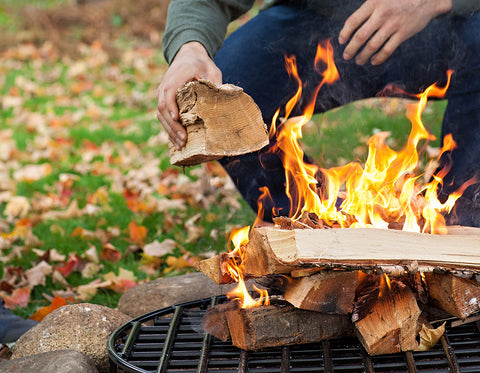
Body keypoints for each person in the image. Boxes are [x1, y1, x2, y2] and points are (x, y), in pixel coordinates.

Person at [157, 0, 480, 227]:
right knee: (225, 87)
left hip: (450, 27)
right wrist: (189, 47)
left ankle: (461, 223)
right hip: (318, 26)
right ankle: (321, 223)